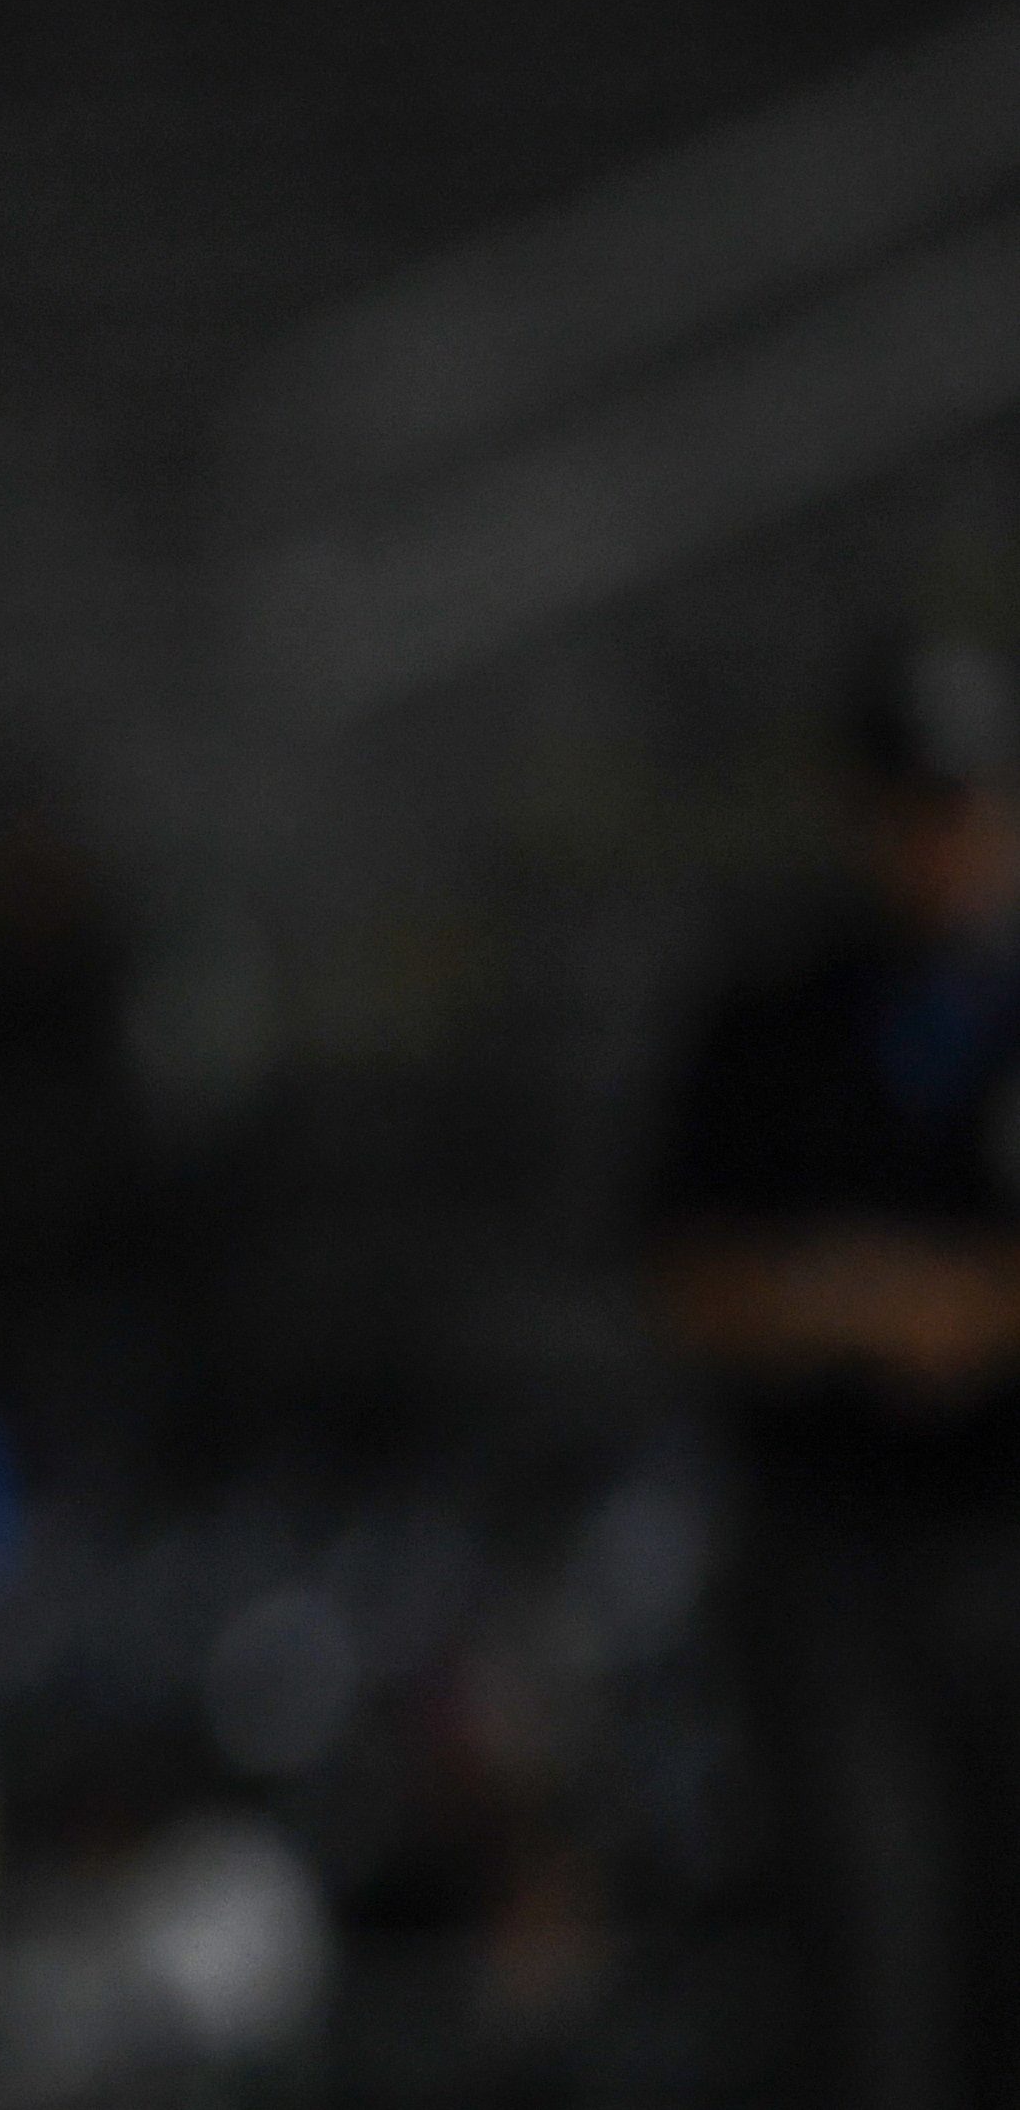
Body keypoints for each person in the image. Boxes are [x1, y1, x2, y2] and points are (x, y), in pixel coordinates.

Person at [646, 636, 1020, 2110]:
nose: (943, 840)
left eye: (970, 801)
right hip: (831, 1559)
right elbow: (680, 1265)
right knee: (872, 1967)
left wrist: (963, 1308)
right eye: (914, 805)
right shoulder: (773, 1012)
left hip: (1004, 1536)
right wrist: (842, 1300)